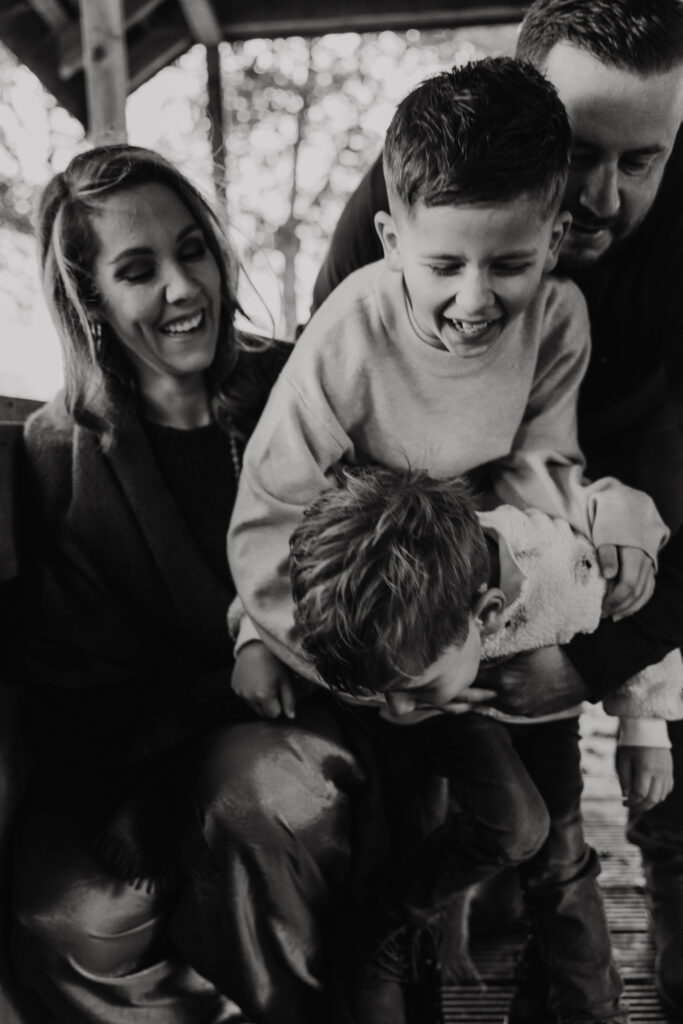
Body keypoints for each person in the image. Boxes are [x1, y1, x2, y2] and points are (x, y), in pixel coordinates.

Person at [227, 58, 668, 1024]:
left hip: (485, 596)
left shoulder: (558, 320)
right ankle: (388, 961)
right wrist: (357, 664)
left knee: (542, 825)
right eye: (444, 265)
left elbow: (538, 465)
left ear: (553, 239)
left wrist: (602, 525)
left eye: (508, 263)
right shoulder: (350, 333)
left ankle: (566, 997)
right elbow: (269, 512)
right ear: (391, 240)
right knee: (407, 819)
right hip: (376, 614)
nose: (475, 300)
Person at [5, 143, 376, 1024]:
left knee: (267, 795)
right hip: (137, 752)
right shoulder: (58, 452)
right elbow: (83, 674)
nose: (182, 288)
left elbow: (369, 587)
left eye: (193, 251)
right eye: (139, 270)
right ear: (92, 299)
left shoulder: (302, 383)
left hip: (306, 725)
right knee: (62, 915)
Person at [289, 464, 681, 1022]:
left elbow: (636, 620)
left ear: (490, 612)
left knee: (561, 855)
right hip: (462, 709)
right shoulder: (383, 603)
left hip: (541, 707)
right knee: (518, 825)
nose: (396, 709)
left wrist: (646, 728)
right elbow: (292, 603)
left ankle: (585, 1007)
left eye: (409, 689)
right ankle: (384, 918)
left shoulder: (565, 572)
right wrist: (256, 641)